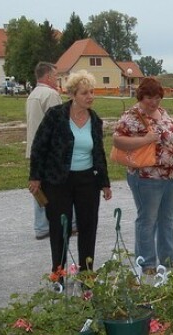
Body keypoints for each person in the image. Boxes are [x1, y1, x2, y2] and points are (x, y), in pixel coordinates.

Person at [29, 70, 112, 272]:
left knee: (88, 227)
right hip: (58, 181)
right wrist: (35, 177)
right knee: (59, 230)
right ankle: (58, 273)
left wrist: (105, 183)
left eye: (92, 92)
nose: (90, 97)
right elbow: (39, 147)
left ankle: (87, 274)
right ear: (73, 94)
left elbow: (99, 153)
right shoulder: (55, 116)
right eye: (85, 93)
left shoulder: (95, 120)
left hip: (87, 181)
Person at [113, 77, 173, 274]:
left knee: (166, 219)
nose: (153, 102)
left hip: (170, 175)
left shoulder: (162, 112)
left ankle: (168, 258)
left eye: (157, 97)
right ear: (141, 97)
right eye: (149, 98)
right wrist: (144, 140)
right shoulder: (131, 116)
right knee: (147, 219)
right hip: (146, 176)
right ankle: (147, 262)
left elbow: (171, 141)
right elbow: (117, 141)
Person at [27, 62, 76, 240]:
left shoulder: (33, 94)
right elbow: (59, 123)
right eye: (55, 76)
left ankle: (40, 226)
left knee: (38, 186)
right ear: (48, 77)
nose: (57, 80)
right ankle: (68, 223)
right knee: (62, 186)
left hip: (35, 148)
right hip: (51, 150)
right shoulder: (51, 94)